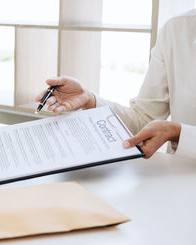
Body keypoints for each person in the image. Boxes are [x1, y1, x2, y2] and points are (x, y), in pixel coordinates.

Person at [36, 9, 196, 160]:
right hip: (177, 179)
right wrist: (90, 101)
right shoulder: (176, 29)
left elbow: (166, 129)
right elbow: (145, 120)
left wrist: (178, 133)